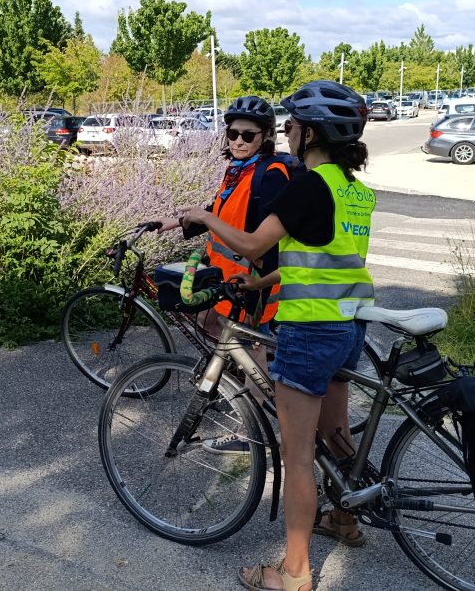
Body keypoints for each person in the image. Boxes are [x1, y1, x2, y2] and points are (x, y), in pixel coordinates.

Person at [182, 81, 373, 591]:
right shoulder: (354, 190)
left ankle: (293, 574)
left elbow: (249, 241)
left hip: (309, 329)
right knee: (335, 436)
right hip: (349, 323)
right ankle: (345, 518)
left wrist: (205, 217)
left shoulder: (308, 184)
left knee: (299, 458)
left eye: (290, 125)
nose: (286, 132)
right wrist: (261, 280)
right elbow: (326, 260)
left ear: (310, 132)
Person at [156, 95, 291, 453]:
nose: (238, 142)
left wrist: (262, 280)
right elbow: (221, 209)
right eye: (233, 133)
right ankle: (229, 379)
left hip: (254, 280)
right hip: (227, 277)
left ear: (266, 136)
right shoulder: (239, 171)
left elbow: (264, 238)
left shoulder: (270, 175)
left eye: (249, 136)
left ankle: (255, 430)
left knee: (253, 347)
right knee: (206, 320)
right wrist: (178, 221)